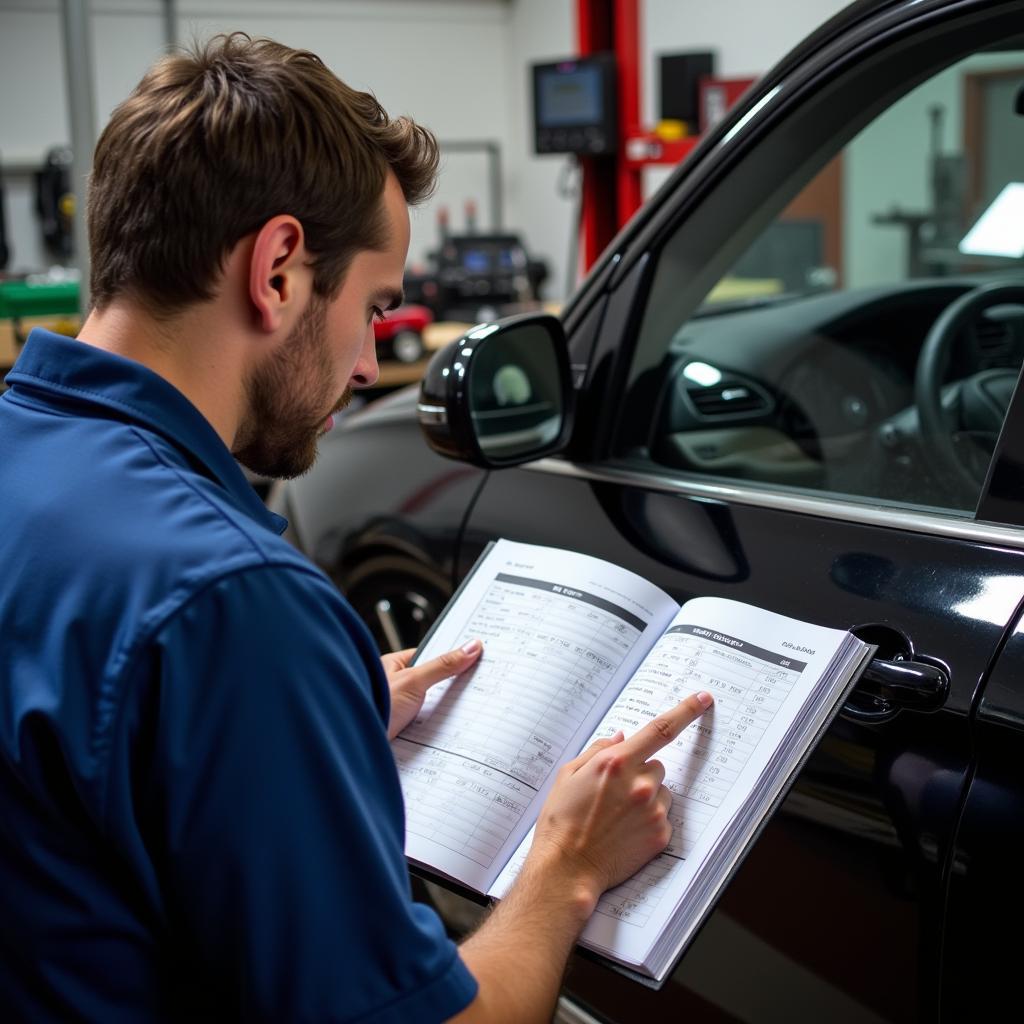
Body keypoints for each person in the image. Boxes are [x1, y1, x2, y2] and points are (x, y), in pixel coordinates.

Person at [0, 34, 712, 1023]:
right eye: (375, 308)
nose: (373, 364)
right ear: (280, 268)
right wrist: (565, 871)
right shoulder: (233, 603)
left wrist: (291, 716)